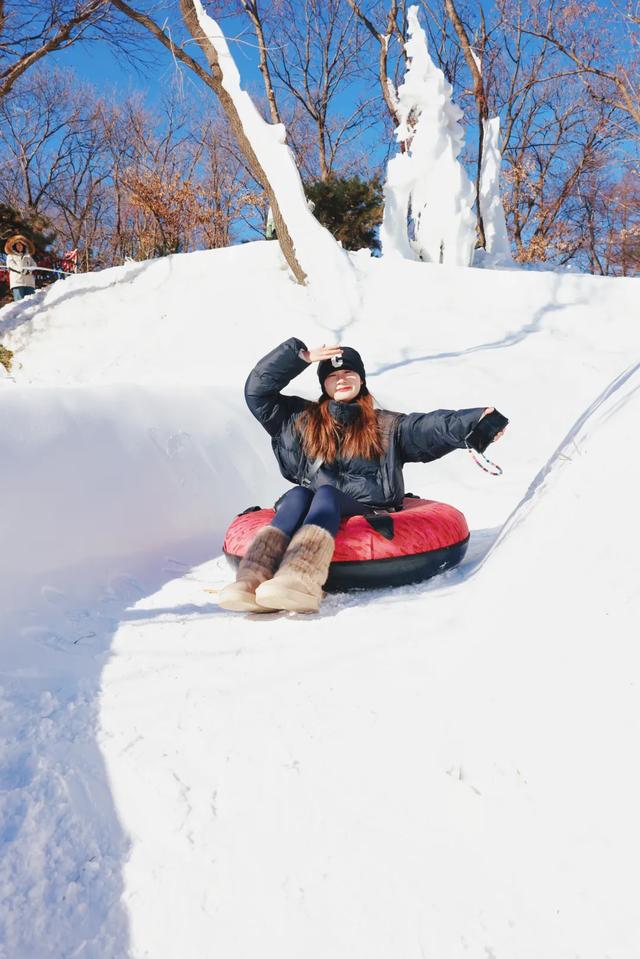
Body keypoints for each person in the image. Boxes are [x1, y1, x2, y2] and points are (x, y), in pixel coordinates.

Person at [218, 337, 507, 614]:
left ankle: (300, 577)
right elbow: (258, 393)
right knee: (298, 494)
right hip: (313, 506)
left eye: (348, 373)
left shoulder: (388, 426)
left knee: (326, 494)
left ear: (361, 379)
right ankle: (252, 577)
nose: (341, 379)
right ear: (324, 384)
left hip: (369, 510)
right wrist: (297, 357)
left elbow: (431, 427)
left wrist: (477, 421)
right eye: (333, 376)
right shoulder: (300, 421)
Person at [4, 235, 37, 301]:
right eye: (17, 245)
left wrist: (29, 270)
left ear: (24, 246)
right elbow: (11, 265)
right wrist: (21, 270)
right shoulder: (10, 256)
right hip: (17, 283)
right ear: (14, 246)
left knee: (31, 303)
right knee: (20, 304)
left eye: (21, 245)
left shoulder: (28, 256)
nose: (19, 246)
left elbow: (34, 265)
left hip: (29, 283)